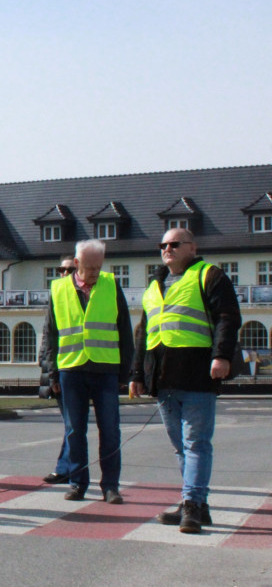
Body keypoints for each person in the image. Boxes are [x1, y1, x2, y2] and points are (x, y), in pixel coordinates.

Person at [130, 228, 241, 533]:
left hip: (197, 374)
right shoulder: (154, 285)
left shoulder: (209, 275)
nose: (167, 248)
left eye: (175, 244)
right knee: (181, 446)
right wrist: (137, 374)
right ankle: (197, 505)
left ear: (192, 247)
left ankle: (191, 504)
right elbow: (144, 333)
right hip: (163, 378)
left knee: (196, 443)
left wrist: (222, 356)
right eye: (163, 244)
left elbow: (228, 317)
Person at [41, 239, 134, 503]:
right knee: (74, 431)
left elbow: (125, 329)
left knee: (110, 430)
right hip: (71, 369)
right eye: (90, 267)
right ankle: (78, 483)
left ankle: (111, 486)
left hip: (105, 369)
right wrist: (53, 373)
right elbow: (51, 334)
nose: (95, 272)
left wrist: (124, 373)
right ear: (77, 263)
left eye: (98, 267)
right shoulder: (58, 288)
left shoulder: (111, 285)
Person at [41, 255, 76, 484]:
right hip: (59, 369)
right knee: (71, 423)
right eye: (61, 270)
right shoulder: (57, 295)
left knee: (73, 424)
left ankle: (67, 468)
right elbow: (48, 335)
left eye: (69, 269)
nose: (64, 274)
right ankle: (66, 468)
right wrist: (50, 371)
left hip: (80, 367)